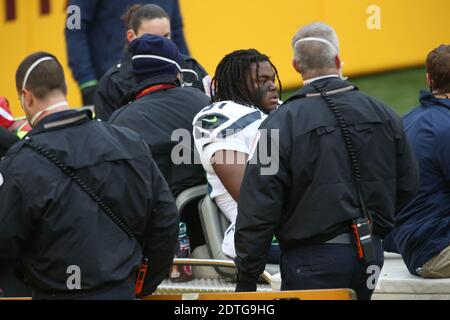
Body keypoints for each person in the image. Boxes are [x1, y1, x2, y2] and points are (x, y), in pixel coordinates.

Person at [233, 22, 419, 299]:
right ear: (337, 60)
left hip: (310, 262)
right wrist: (374, 227)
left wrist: (247, 278)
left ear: (296, 65)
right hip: (370, 256)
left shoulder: (277, 125)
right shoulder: (384, 112)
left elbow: (258, 206)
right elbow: (408, 186)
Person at [0, 52, 179, 299]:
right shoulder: (127, 142)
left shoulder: (20, 163)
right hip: (122, 293)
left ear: (27, 98)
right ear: (64, 88)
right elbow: (166, 220)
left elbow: (5, 244)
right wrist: (143, 284)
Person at [109, 34, 210, 248]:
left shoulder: (120, 121)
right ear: (176, 71)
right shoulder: (206, 103)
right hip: (212, 230)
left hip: (151, 242)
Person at [192, 49, 281, 260]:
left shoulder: (279, 111)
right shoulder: (220, 117)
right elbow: (252, 198)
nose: (272, 86)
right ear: (240, 84)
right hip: (264, 234)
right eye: (262, 80)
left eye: (272, 79)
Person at [383, 45, 450, 279]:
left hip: (415, 245)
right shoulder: (445, 126)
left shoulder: (405, 122)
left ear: (429, 79)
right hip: (438, 251)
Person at [94, 4, 208, 121]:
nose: (162, 43)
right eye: (152, 37)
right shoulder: (112, 83)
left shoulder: (191, 68)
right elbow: (107, 134)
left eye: (166, 36)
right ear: (131, 36)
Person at [65, 0, 191, 106]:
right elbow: (74, 26)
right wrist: (86, 82)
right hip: (113, 90)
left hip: (167, 84)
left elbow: (176, 30)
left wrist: (187, 71)